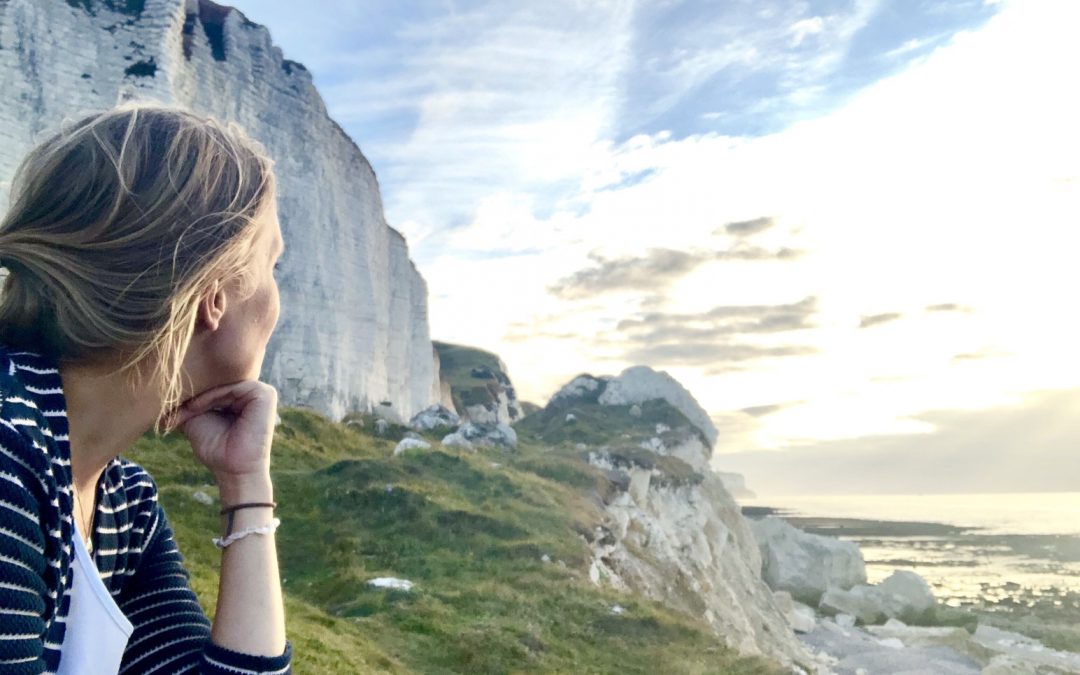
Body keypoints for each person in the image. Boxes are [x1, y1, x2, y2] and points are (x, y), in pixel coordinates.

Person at [0, 103, 292, 673]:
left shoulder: (122, 504)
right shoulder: (9, 460)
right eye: (272, 265)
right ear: (214, 296)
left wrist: (245, 483)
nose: (278, 302)